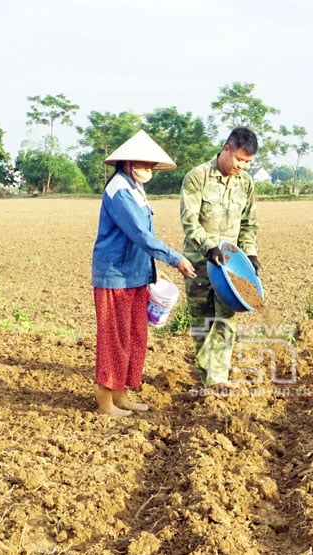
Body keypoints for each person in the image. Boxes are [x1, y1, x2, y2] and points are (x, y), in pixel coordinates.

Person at [92, 130, 197, 417]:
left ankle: (122, 395)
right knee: (114, 338)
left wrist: (153, 270)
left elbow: (142, 237)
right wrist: (176, 259)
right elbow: (139, 234)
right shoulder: (119, 191)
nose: (148, 169)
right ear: (127, 162)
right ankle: (105, 403)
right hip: (115, 275)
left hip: (135, 275)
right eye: (143, 163)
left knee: (133, 336)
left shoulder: (136, 188)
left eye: (152, 165)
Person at [179, 127, 260, 391]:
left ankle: (219, 380)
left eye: (247, 162)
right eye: (239, 159)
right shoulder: (197, 177)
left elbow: (249, 224)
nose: (242, 166)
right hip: (200, 263)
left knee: (226, 321)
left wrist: (250, 253)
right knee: (202, 322)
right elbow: (189, 221)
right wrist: (209, 247)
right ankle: (206, 379)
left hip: (230, 268)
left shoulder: (245, 183)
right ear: (226, 149)